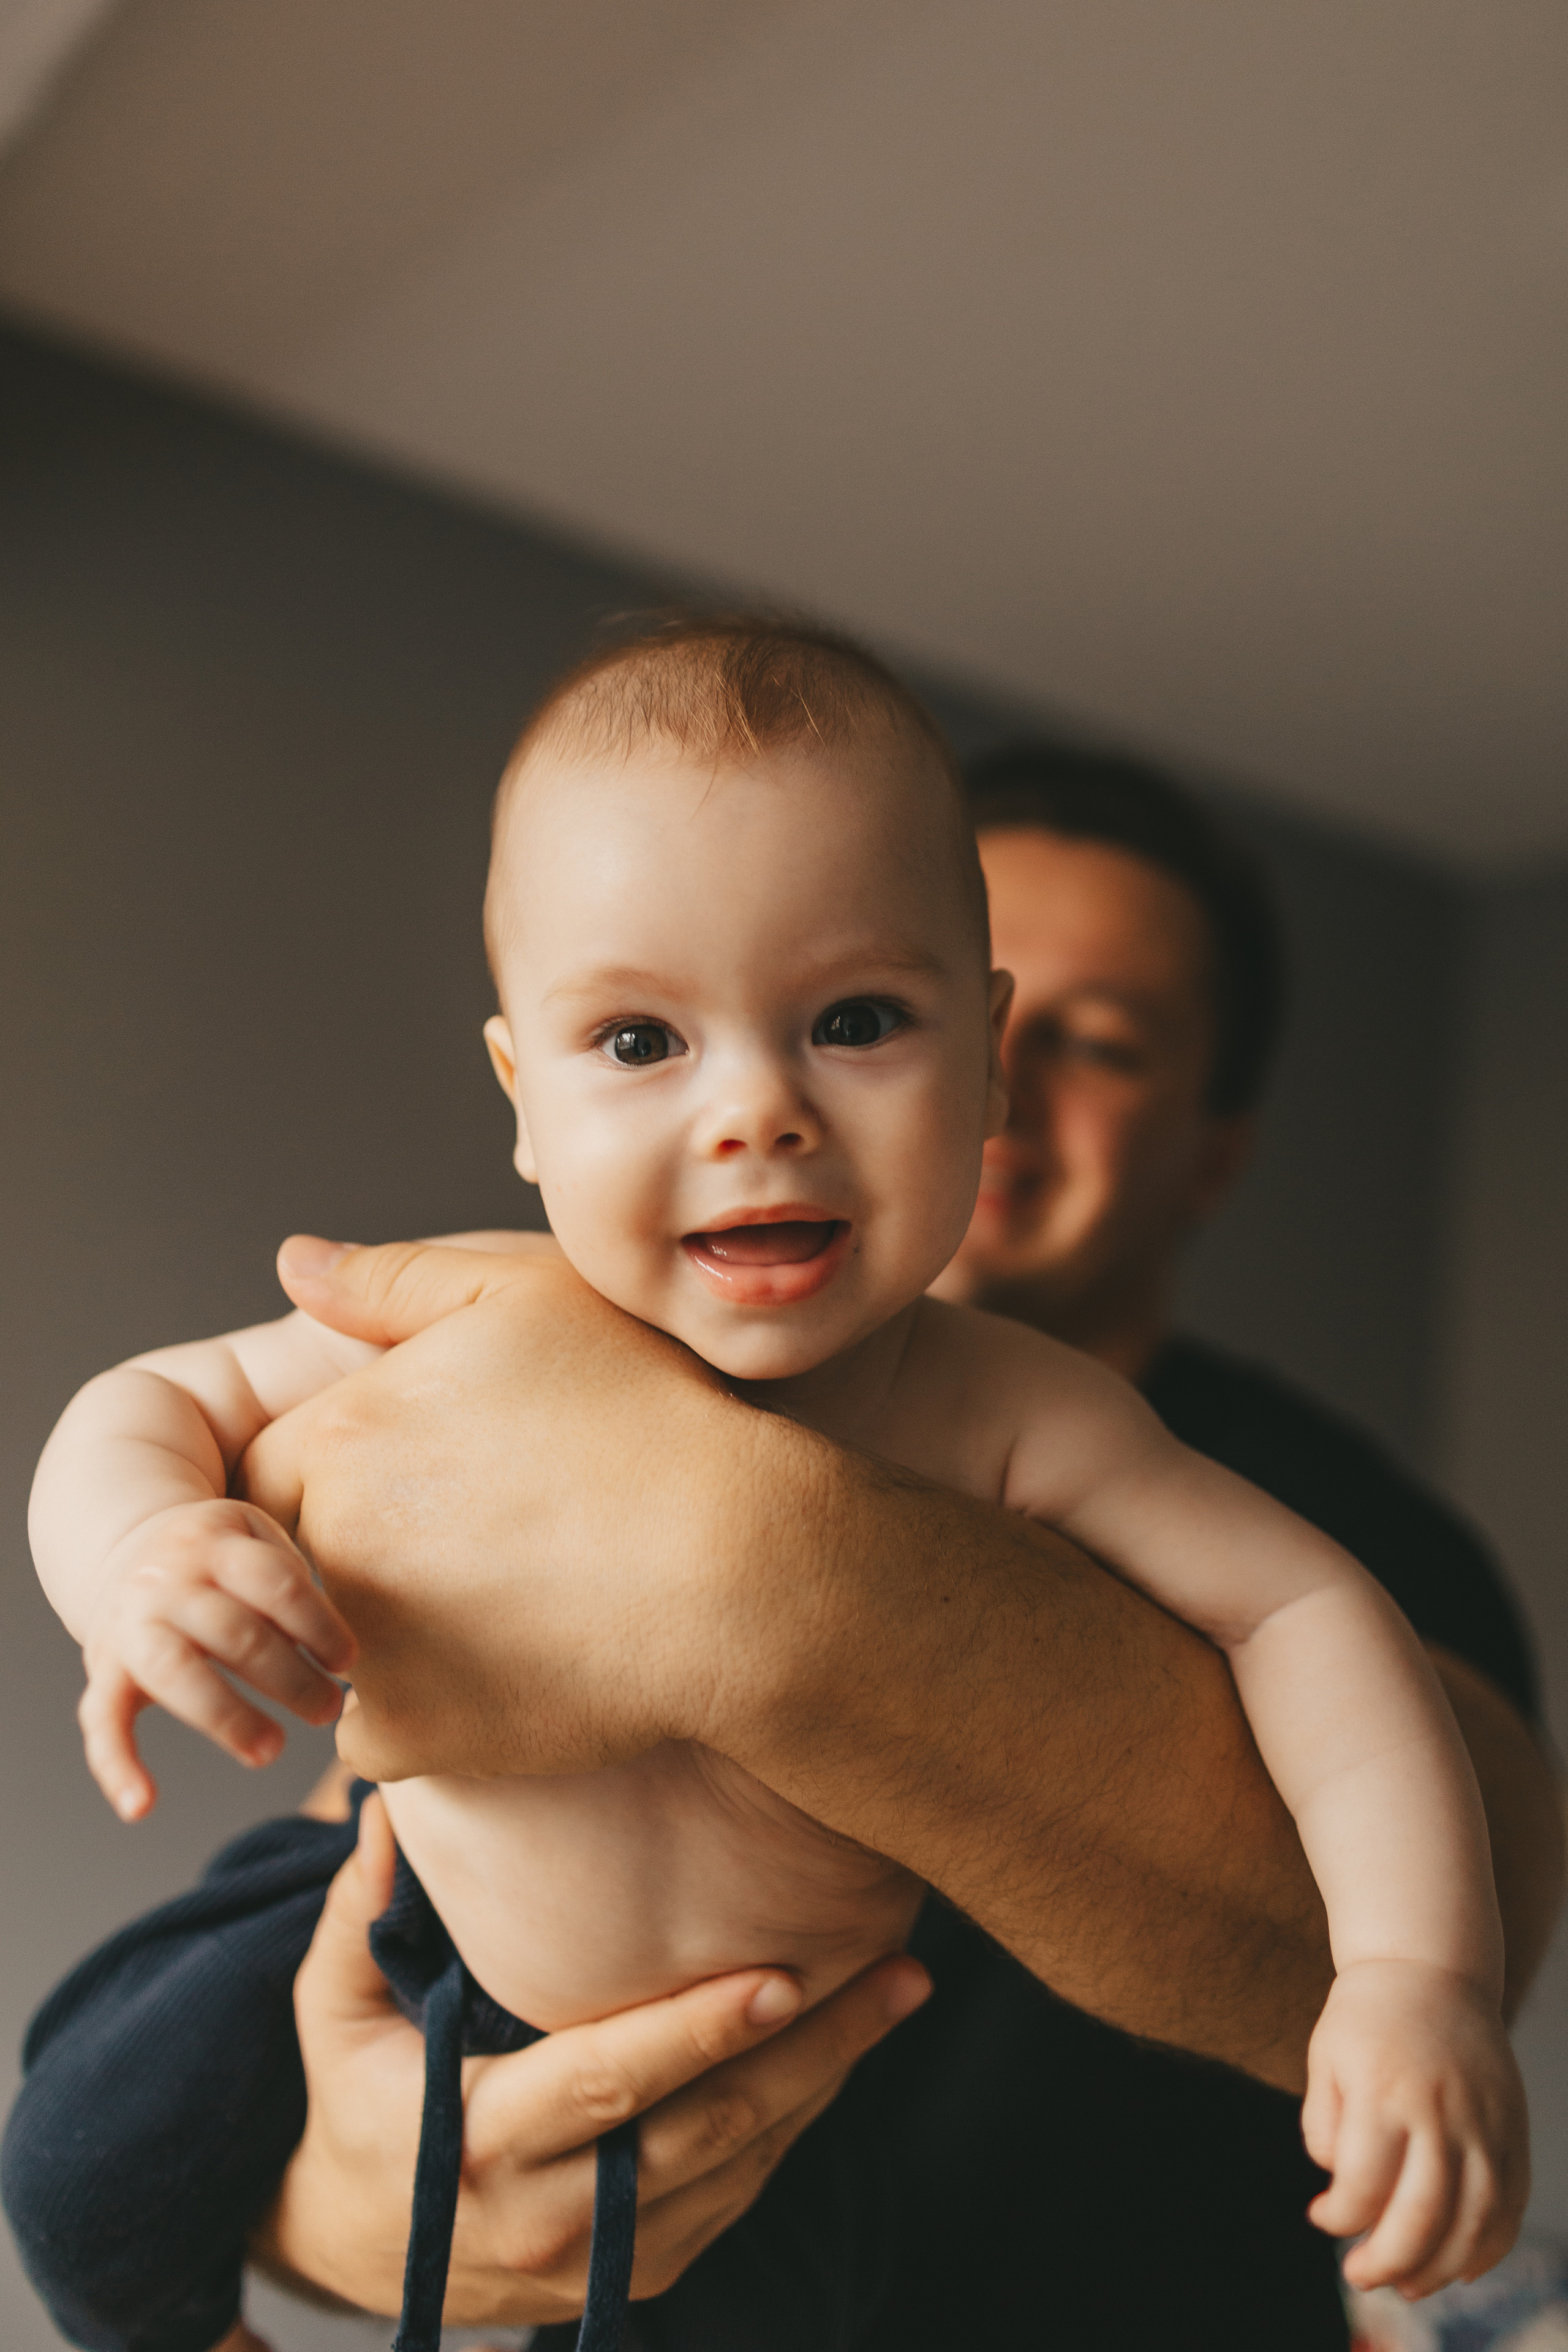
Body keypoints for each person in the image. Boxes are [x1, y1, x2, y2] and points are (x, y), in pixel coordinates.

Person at [7, 683, 1561, 2352]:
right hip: (456, 1962)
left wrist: (1418, 1982)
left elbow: (1315, 1620)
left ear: (988, 1046)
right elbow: (150, 1409)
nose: (756, 1111)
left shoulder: (1033, 1421)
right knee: (82, 2144)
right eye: (640, 1040)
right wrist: (140, 1554)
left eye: (864, 1019)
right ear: (524, 1094)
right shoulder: (490, 1322)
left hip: (1059, 2282)